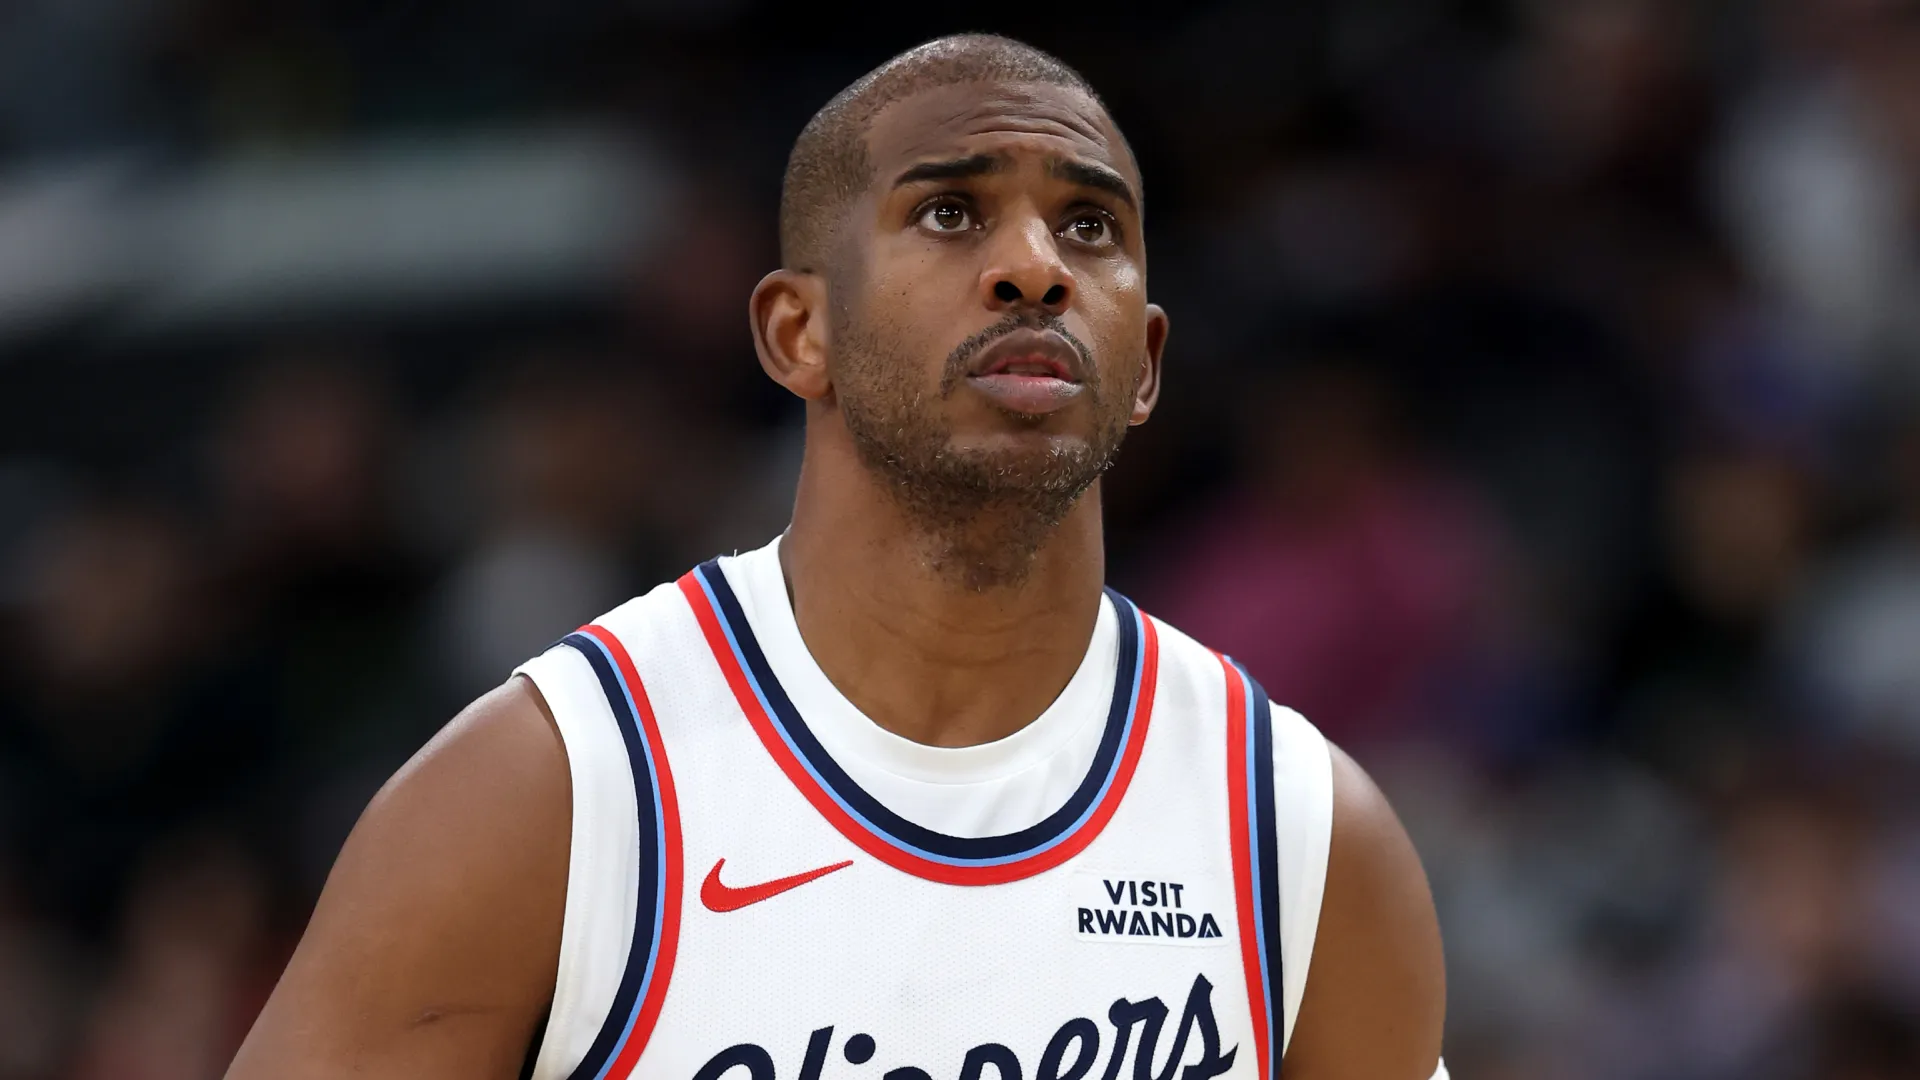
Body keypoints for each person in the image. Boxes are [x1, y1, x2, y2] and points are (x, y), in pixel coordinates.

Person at [227, 34, 1447, 1080]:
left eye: (1090, 224)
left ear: (1148, 368)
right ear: (797, 331)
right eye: (950, 211)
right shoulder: (556, 791)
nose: (1037, 265)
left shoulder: (1297, 833)